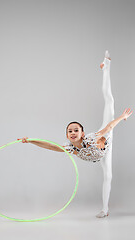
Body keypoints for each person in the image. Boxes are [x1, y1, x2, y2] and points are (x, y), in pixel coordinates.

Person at [20, 51, 132, 218]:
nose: (73, 133)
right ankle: (106, 209)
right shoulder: (70, 148)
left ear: (82, 133)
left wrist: (122, 117)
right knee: (107, 174)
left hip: (105, 142)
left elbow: (108, 127)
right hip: (97, 156)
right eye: (70, 131)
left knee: (109, 101)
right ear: (67, 135)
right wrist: (30, 141)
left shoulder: (92, 138)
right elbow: (50, 146)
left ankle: (106, 67)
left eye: (76, 130)